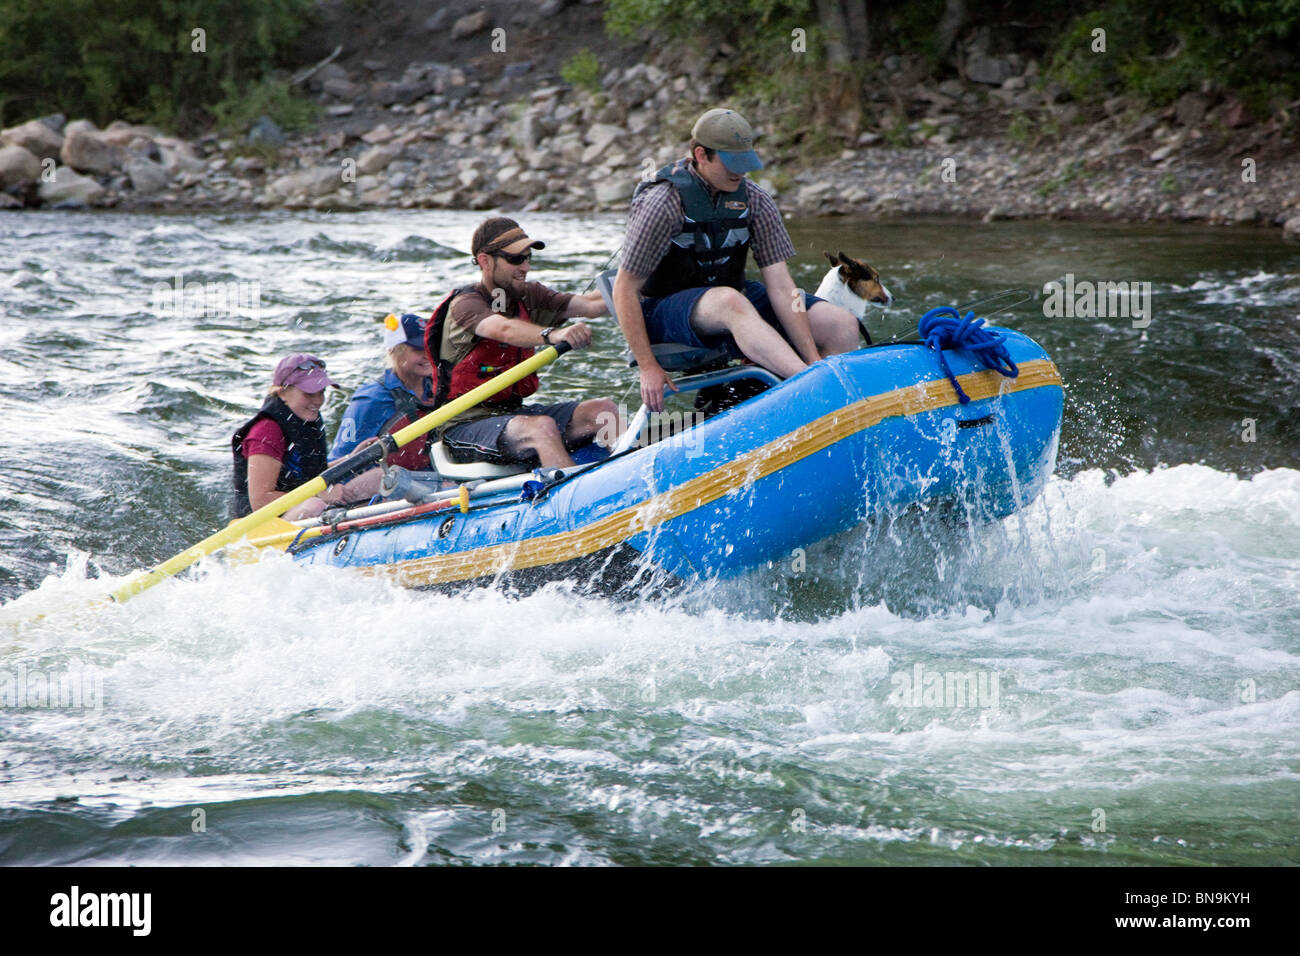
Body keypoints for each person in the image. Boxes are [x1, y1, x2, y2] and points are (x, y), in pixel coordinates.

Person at [612, 107, 862, 411]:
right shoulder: (663, 204)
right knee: (730, 301)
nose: (741, 173)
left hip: (731, 299)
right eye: (732, 163)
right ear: (702, 155)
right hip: (665, 310)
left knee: (841, 323)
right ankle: (817, 388)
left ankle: (821, 405)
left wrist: (812, 355)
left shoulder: (755, 200)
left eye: (746, 163)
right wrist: (647, 366)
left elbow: (782, 286)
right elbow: (624, 289)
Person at [429, 217, 622, 469]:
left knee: (604, 411)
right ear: (486, 261)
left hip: (512, 415)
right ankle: (571, 499)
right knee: (542, 428)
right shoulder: (465, 304)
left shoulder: (530, 295)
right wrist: (552, 335)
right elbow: (502, 328)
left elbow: (592, 304)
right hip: (462, 427)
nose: (526, 267)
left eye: (529, 258)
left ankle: (640, 483)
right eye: (516, 259)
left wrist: (639, 283)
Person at [230, 353, 381, 520]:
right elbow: (260, 502)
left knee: (378, 476)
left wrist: (352, 458)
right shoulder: (265, 432)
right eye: (309, 394)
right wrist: (321, 496)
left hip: (303, 506)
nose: (318, 401)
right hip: (261, 527)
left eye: (321, 392)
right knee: (314, 506)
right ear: (282, 392)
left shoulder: (303, 418)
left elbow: (309, 474)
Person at [330, 312, 438, 470]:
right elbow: (339, 462)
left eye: (429, 346)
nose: (426, 355)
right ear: (394, 351)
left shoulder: (438, 388)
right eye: (417, 349)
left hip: (433, 477)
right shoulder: (371, 400)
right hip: (387, 484)